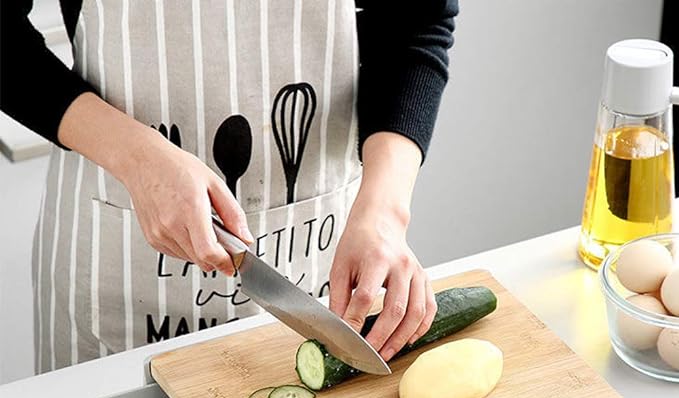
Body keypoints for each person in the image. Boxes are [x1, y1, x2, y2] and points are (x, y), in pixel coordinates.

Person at [1, 1, 458, 373]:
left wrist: (385, 211)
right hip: (118, 262)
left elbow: (414, 22)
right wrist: (137, 157)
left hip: (321, 258)